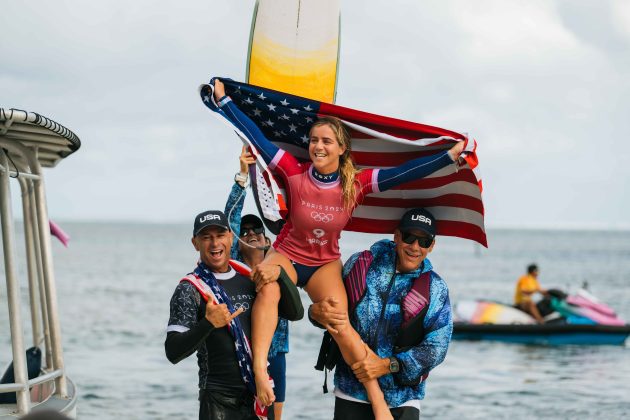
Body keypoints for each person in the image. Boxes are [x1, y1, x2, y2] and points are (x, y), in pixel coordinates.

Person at [211, 78, 464, 420]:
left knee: (341, 322)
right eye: (314, 140)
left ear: (341, 148)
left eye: (327, 141)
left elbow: (404, 174)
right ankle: (259, 372)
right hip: (287, 254)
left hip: (323, 263)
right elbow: (257, 137)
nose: (318, 146)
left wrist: (447, 157)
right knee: (267, 287)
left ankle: (377, 403)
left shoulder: (355, 184)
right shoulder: (294, 172)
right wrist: (225, 104)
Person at [310, 208, 452, 420]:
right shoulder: (360, 266)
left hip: (403, 399)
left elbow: (437, 349)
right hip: (351, 393)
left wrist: (387, 365)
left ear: (431, 246)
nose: (415, 247)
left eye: (423, 241)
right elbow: (332, 311)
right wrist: (315, 314)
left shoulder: (435, 289)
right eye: (409, 237)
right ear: (396, 236)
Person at [164, 210, 301, 419]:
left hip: (260, 393)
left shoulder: (249, 278)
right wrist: (208, 323)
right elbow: (173, 352)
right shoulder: (190, 289)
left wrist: (281, 275)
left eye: (219, 235)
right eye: (206, 237)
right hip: (219, 401)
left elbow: (295, 313)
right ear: (195, 243)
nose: (214, 243)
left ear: (230, 237)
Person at [225, 146, 290, 420]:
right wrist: (242, 176)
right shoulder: (234, 266)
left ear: (267, 241)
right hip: (240, 353)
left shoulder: (279, 264)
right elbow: (230, 221)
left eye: (257, 230)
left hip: (275, 354)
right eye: (246, 230)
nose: (251, 233)